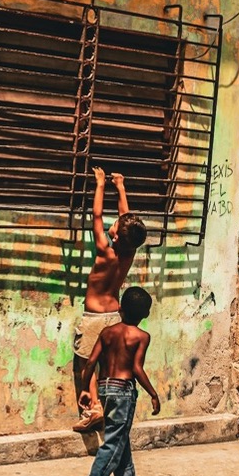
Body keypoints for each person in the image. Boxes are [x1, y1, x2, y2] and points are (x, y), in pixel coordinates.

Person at [72, 167, 147, 432]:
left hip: (94, 316)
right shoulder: (129, 254)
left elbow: (97, 214)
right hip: (114, 315)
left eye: (114, 225)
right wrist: (121, 186)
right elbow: (127, 219)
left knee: (87, 361)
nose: (113, 223)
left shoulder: (105, 250)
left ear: (115, 234)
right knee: (105, 362)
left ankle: (93, 407)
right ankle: (106, 406)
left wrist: (101, 184)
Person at [78, 286, 160, 476]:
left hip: (105, 388)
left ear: (121, 308)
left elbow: (91, 362)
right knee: (114, 440)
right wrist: (153, 393)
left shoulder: (107, 333)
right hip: (123, 390)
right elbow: (136, 368)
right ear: (146, 314)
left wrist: (86, 389)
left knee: (118, 435)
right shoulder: (142, 336)